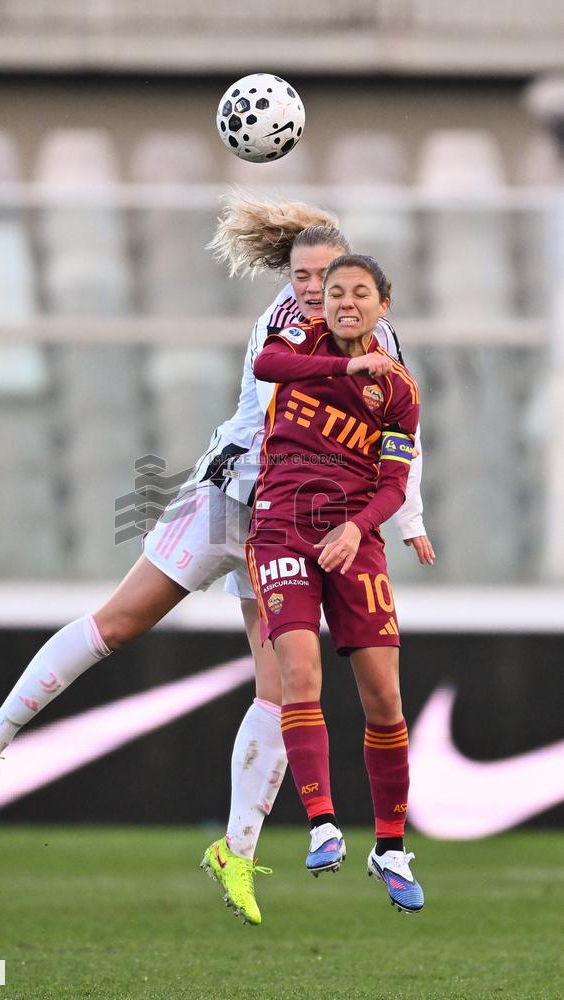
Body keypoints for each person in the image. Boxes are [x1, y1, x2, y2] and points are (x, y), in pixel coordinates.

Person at [0, 196, 431, 925]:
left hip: (293, 523)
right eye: (302, 276)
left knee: (281, 686)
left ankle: (236, 852)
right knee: (119, 623)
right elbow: (283, 380)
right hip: (229, 499)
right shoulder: (284, 324)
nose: (314, 289)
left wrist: (407, 516)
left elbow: (399, 433)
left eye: (327, 278)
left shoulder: (378, 341)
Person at [244, 252, 425, 914]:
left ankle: (390, 847)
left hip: (354, 539)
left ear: (384, 305)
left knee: (384, 697)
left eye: (360, 293)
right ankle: (322, 824)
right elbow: (266, 365)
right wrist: (344, 366)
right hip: (281, 528)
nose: (345, 302)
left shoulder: (399, 391)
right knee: (299, 671)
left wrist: (358, 528)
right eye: (335, 291)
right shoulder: (301, 335)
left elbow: (394, 483)